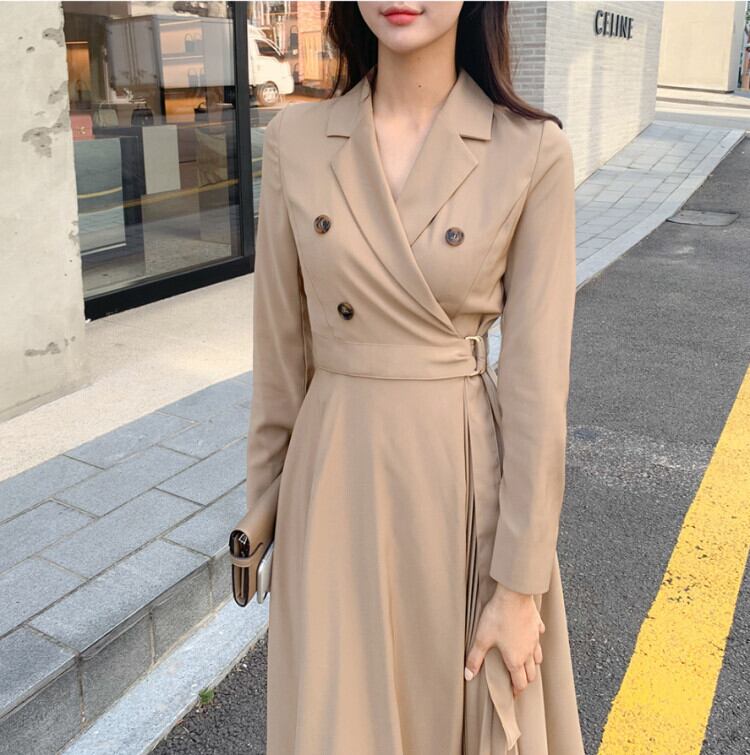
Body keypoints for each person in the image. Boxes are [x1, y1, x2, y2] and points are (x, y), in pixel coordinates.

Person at [242, 2, 585, 752]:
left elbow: (536, 391)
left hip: (456, 491)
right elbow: (280, 358)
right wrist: (263, 516)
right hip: (331, 494)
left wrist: (520, 585)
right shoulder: (296, 141)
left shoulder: (532, 152)